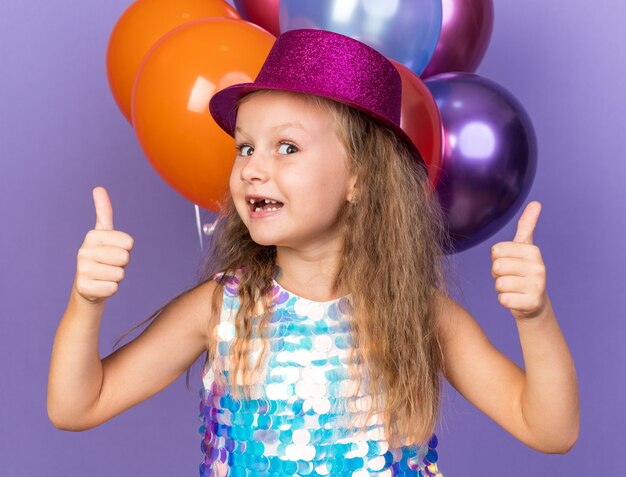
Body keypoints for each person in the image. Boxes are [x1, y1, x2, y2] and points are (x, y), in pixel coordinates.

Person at [47, 29, 579, 476]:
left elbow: (549, 429)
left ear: (359, 177)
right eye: (245, 147)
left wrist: (534, 317)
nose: (253, 167)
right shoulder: (222, 309)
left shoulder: (422, 316)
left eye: (288, 147)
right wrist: (85, 302)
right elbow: (76, 405)